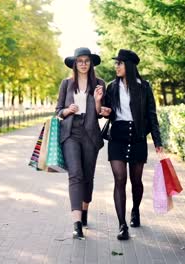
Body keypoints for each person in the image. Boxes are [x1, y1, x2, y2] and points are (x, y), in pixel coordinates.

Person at [101, 49, 163, 240]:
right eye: (116, 63)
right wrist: (104, 110)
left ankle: (135, 210)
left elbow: (151, 114)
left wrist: (158, 141)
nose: (116, 66)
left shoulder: (144, 87)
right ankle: (122, 226)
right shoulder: (112, 87)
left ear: (128, 65)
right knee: (120, 179)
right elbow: (107, 112)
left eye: (119, 63)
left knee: (136, 181)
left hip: (137, 138)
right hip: (117, 137)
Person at [55, 47, 106, 239]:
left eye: (86, 61)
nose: (83, 64)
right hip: (70, 133)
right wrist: (68, 110)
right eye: (80, 61)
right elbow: (58, 110)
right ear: (75, 64)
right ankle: (76, 223)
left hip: (90, 133)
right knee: (75, 174)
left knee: (88, 176)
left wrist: (99, 102)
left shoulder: (99, 83)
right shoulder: (66, 84)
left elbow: (101, 112)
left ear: (91, 63)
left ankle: (85, 210)